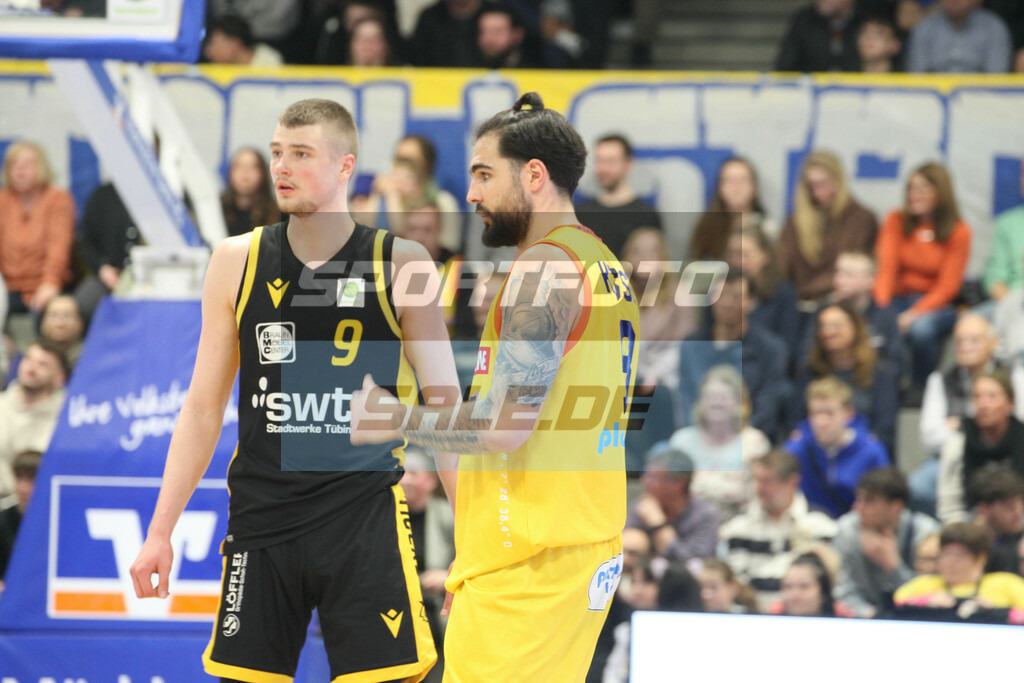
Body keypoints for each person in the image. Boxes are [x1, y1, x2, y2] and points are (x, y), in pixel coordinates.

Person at [129, 99, 449, 682]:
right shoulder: (236, 260)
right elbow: (202, 408)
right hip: (263, 520)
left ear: (345, 165)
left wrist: (471, 545)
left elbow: (445, 409)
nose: (283, 166)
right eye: (278, 152)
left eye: (301, 154)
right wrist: (158, 532)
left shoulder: (402, 262)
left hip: (363, 521)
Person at [349, 92, 641, 681]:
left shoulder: (546, 270)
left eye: (484, 174)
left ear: (534, 176)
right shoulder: (599, 260)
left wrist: (393, 417)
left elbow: (504, 427)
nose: (471, 193)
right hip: (560, 545)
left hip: (535, 559)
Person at [874, 162, 972, 388]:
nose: (913, 195)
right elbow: (885, 269)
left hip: (936, 304)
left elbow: (948, 287)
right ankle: (887, 386)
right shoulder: (895, 220)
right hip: (896, 299)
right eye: (911, 188)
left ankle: (922, 388)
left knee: (921, 329)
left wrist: (914, 314)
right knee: (877, 323)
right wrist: (881, 308)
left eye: (922, 189)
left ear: (940, 192)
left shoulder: (959, 231)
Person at [914, 314, 1024, 513]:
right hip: (960, 452)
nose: (965, 346)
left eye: (974, 340)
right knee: (919, 485)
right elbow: (929, 436)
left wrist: (960, 424)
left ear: (994, 342)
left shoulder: (1014, 373)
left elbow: (1020, 420)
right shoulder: (941, 379)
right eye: (959, 341)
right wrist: (969, 430)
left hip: (1012, 449)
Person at [718, 449, 838, 610]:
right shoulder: (738, 528)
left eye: (767, 482)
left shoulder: (820, 525)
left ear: (792, 482)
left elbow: (826, 583)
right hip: (752, 616)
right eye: (756, 481)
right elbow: (738, 583)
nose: (759, 489)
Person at [677, 269, 789, 441]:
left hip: (748, 439)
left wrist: (733, 439)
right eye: (720, 295)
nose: (727, 303)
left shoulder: (770, 349)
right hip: (698, 438)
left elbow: (767, 408)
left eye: (736, 297)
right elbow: (686, 401)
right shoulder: (690, 346)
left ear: (751, 301)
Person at [668, 365, 770, 523]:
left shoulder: (754, 443)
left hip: (739, 527)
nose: (716, 403)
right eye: (709, 396)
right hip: (686, 525)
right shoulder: (682, 441)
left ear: (739, 402)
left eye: (723, 397)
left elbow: (760, 497)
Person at [832, 468, 940, 617]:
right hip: (863, 620)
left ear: (895, 507)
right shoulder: (848, 530)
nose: (858, 508)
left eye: (869, 501)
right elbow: (841, 588)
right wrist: (872, 616)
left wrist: (893, 566)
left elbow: (931, 593)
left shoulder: (925, 533)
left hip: (914, 618)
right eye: (859, 499)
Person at [796, 301, 900, 455]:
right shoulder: (810, 371)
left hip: (863, 453)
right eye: (823, 326)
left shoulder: (881, 372)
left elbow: (885, 427)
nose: (828, 332)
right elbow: (797, 420)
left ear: (855, 328)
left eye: (836, 326)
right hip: (815, 452)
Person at [778, 150, 878, 306]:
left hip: (840, 299)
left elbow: (852, 267)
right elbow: (783, 263)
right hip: (797, 300)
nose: (818, 192)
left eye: (823, 183)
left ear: (838, 181)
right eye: (812, 186)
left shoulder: (860, 219)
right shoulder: (795, 222)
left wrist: (807, 293)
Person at [785, 376, 890, 518]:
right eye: (815, 413)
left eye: (829, 413)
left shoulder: (871, 452)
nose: (821, 422)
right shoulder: (795, 450)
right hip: (807, 528)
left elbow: (883, 502)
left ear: (848, 413)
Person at [938, 371, 1024, 524]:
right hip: (972, 523)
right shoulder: (957, 444)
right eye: (977, 397)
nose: (983, 405)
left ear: (1010, 403)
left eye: (992, 397)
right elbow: (949, 505)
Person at [0, 141, 75, 317]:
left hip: (44, 285)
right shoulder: (3, 200)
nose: (20, 171)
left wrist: (50, 283)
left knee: (48, 312)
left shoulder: (58, 199)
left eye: (27, 165)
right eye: (14, 165)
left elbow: (58, 246)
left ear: (41, 167)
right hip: (6, 286)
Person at [400, 449, 455, 683]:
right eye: (402, 473)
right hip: (399, 615)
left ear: (432, 481)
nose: (405, 479)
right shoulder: (383, 515)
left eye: (413, 473)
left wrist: (446, 578)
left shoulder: (449, 517)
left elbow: (472, 560)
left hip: (437, 615)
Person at [894, 522, 1024, 621]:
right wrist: (924, 602)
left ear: (980, 558)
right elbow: (892, 608)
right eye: (945, 555)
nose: (950, 563)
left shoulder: (1006, 583)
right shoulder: (923, 584)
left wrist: (996, 613)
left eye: (959, 556)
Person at [575, 133, 662, 259]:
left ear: (628, 163)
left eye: (611, 161)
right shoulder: (580, 214)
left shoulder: (646, 215)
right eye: (600, 160)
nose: (603, 168)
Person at [626, 449, 720, 563]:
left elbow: (693, 562)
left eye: (652, 477)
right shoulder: (642, 506)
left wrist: (659, 525)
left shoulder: (705, 516)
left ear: (678, 484)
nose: (644, 481)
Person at [0, 340, 67, 496]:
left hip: (42, 504)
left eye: (43, 364)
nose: (32, 367)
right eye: (29, 359)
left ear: (59, 378)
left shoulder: (66, 418)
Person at [724, 225, 801, 351]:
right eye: (731, 255)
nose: (736, 262)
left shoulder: (783, 294)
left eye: (744, 255)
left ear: (764, 256)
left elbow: (788, 345)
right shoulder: (719, 293)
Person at [73, 181, 140, 320]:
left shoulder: (162, 193)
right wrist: (102, 268)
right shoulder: (103, 195)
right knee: (83, 303)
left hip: (152, 276)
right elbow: (86, 240)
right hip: (108, 274)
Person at [691, 157, 779, 261]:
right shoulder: (706, 230)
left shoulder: (768, 229)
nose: (736, 187)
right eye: (729, 180)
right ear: (719, 188)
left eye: (743, 180)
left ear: (755, 188)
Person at [907, 0, 1012, 72]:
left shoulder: (994, 27)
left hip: (981, 97)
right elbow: (917, 76)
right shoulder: (925, 27)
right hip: (933, 98)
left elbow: (997, 78)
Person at [775, 0, 864, 72]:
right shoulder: (804, 21)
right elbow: (785, 65)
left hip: (858, 90)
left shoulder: (866, 21)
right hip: (810, 89)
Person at [969, 467, 1024, 574]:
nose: (1018, 511)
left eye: (1020, 502)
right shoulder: (970, 543)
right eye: (1009, 506)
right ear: (983, 509)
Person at [986, 156, 1024, 306]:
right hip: (1012, 302)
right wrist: (1012, 307)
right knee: (970, 324)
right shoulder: (1007, 223)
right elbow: (995, 278)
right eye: (1023, 172)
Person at [221, 147, 281, 238]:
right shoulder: (217, 210)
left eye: (253, 167)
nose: (245, 172)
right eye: (239, 166)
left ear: (263, 173)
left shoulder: (279, 214)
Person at [0, 450, 41, 583]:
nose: (23, 488)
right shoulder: (3, 520)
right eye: (19, 478)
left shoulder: (57, 521)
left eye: (31, 479)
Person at [768, 550, 849, 616]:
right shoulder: (772, 616)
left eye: (804, 586)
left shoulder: (844, 618)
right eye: (788, 586)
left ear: (823, 592)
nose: (795, 595)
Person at [410, 0, 484, 67]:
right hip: (436, 79)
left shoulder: (491, 13)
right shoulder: (430, 16)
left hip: (484, 79)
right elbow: (416, 59)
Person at [203, 14, 285, 66]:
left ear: (235, 43)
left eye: (214, 44)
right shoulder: (219, 69)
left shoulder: (269, 63)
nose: (209, 52)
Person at [473, 4, 538, 68]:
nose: (490, 39)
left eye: (498, 32)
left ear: (517, 35)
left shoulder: (536, 72)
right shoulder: (467, 67)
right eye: (483, 32)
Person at [38, 294, 85, 371]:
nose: (60, 323)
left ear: (80, 323)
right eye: (53, 315)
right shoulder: (34, 357)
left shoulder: (88, 356)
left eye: (68, 316)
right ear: (43, 323)